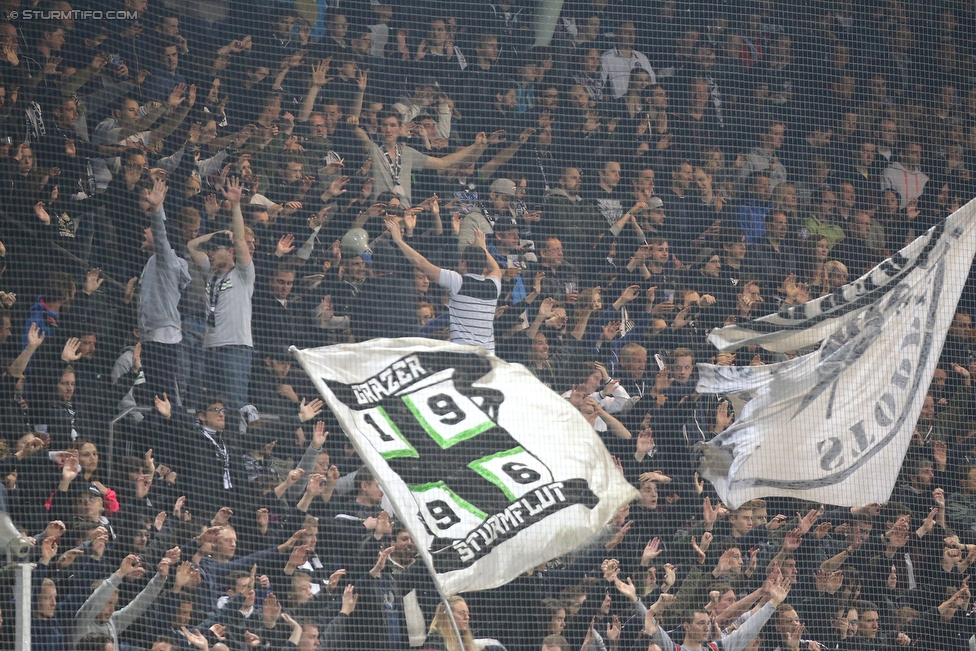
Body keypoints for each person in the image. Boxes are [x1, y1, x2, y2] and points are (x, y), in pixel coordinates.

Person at [386, 219, 502, 354]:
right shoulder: (494, 285)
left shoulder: (457, 281)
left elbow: (421, 263)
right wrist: (483, 249)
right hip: (487, 357)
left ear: (464, 263)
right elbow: (496, 269)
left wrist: (399, 241)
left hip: (463, 357)